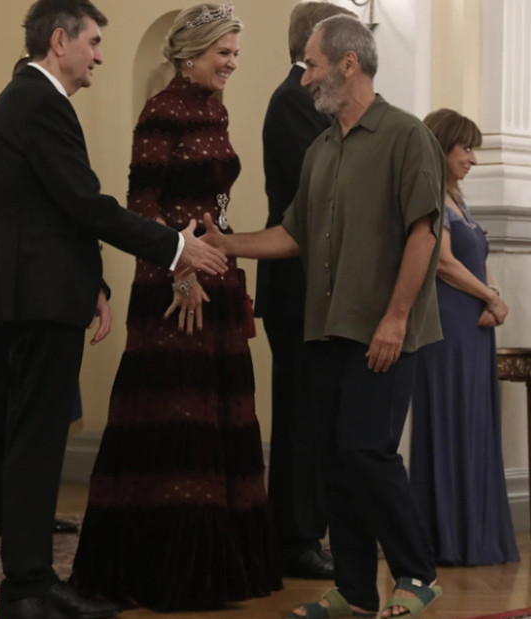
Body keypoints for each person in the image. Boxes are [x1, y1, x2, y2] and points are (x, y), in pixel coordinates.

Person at [0, 1, 228, 618]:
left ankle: (32, 583)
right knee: (36, 446)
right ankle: (27, 589)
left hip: (43, 294)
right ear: (59, 41)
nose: (99, 56)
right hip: (40, 300)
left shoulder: (30, 101)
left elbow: (54, 210)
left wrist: (92, 282)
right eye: (92, 42)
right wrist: (176, 248)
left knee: (35, 443)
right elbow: (87, 204)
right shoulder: (37, 102)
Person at [202, 14, 445, 619]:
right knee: (334, 459)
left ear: (348, 63)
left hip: (382, 330)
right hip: (325, 328)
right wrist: (228, 245)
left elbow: (423, 233)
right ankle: (355, 593)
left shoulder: (407, 135)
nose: (305, 77)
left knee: (367, 451)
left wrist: (395, 318)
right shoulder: (320, 148)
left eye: (312, 65)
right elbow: (294, 234)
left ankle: (417, 574)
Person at [70, 2, 282, 612]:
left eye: (236, 54)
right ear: (191, 54)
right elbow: (141, 204)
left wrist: (220, 256)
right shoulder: (161, 109)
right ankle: (171, 573)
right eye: (224, 53)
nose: (232, 64)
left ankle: (224, 567)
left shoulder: (215, 107)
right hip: (172, 285)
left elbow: (215, 199)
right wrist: (181, 271)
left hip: (215, 275)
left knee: (215, 413)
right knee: (178, 415)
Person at [0, 56, 78, 539]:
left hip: (43, 296)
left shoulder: (50, 138)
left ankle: (31, 510)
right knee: (3, 406)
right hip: (1, 299)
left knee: (38, 414)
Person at [256, 1, 355, 581]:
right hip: (297, 285)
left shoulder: (315, 99)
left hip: (322, 286)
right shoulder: (294, 100)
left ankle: (310, 528)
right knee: (300, 416)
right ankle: (294, 538)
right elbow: (313, 193)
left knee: (319, 414)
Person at [409, 109, 520, 567]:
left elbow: (477, 258)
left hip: (473, 327)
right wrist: (490, 297)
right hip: (446, 326)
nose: (473, 158)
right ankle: (447, 536)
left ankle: (474, 532)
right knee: (451, 419)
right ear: (442, 147)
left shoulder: (459, 201)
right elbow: (442, 263)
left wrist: (493, 298)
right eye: (466, 148)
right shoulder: (429, 195)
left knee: (473, 422)